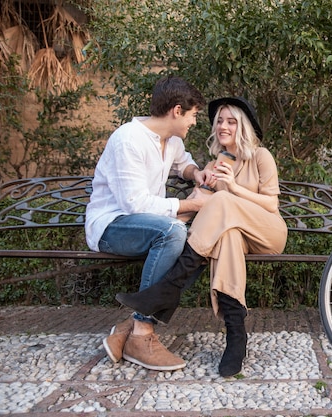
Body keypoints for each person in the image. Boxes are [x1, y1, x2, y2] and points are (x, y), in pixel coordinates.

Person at [114, 96, 288, 377]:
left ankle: (170, 286)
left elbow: (271, 205)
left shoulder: (260, 156)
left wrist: (231, 187)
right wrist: (165, 230)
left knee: (221, 202)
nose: (223, 126)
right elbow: (195, 203)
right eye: (219, 120)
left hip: (268, 231)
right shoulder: (215, 163)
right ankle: (236, 335)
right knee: (227, 236)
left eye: (231, 121)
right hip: (237, 236)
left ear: (242, 127)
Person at [85, 75, 211, 371]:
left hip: (149, 227)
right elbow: (135, 205)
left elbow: (184, 163)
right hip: (112, 226)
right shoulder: (128, 139)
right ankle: (143, 334)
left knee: (198, 250)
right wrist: (192, 204)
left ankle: (128, 329)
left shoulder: (172, 141)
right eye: (193, 115)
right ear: (177, 111)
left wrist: (196, 174)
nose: (194, 122)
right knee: (173, 232)